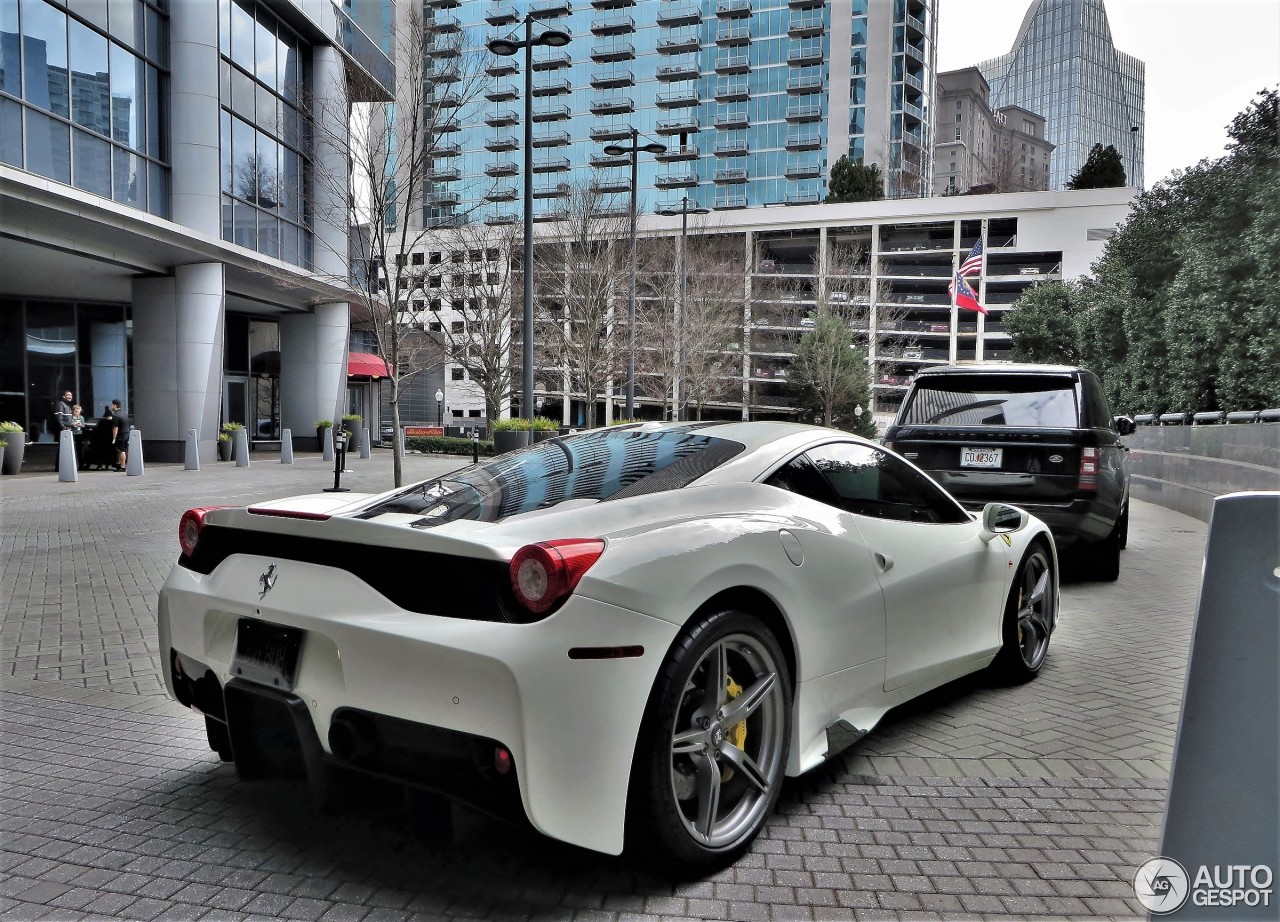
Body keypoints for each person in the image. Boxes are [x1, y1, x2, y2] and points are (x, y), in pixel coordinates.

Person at [110, 400, 130, 471]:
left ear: (115, 405)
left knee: (121, 450)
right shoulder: (124, 413)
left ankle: (122, 466)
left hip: (120, 435)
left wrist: (114, 438)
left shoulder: (116, 415)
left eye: (112, 405)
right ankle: (120, 464)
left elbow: (115, 428)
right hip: (126, 433)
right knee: (121, 450)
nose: (111, 406)